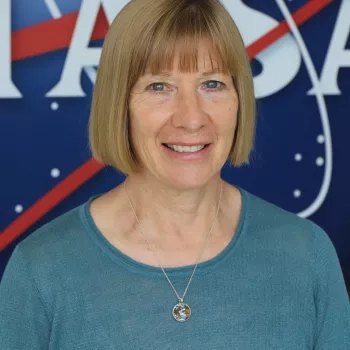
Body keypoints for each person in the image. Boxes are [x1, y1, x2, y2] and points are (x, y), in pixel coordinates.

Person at [1, 0, 349, 348]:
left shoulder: (307, 255)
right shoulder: (41, 272)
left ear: (239, 98)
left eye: (212, 84)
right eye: (159, 87)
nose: (191, 118)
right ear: (119, 104)